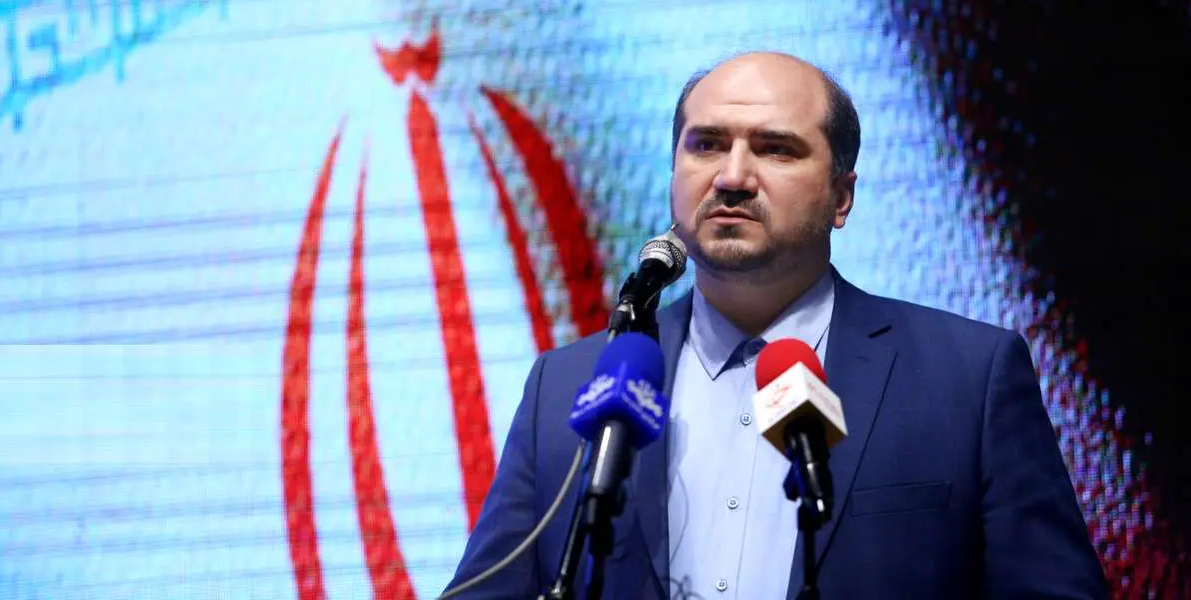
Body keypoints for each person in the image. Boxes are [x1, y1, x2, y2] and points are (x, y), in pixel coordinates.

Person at [443, 52, 1108, 598]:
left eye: (776, 150)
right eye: (706, 145)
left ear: (842, 196)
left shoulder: (968, 378)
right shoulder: (568, 388)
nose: (732, 177)